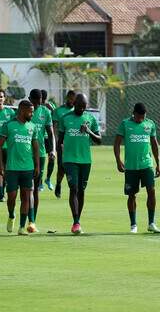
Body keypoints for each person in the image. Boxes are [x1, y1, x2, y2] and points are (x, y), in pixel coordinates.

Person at [114, 103, 160, 233]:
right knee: (132, 195)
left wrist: (158, 163)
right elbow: (117, 143)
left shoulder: (150, 124)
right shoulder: (125, 124)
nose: (140, 119)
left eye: (143, 117)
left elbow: (154, 144)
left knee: (151, 191)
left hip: (147, 165)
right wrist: (118, 161)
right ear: (133, 113)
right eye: (138, 117)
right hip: (131, 166)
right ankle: (133, 225)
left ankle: (151, 223)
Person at [59, 93, 101, 234]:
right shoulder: (65, 118)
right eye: (79, 106)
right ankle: (76, 222)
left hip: (85, 160)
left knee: (81, 190)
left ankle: (78, 220)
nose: (81, 109)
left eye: (84, 107)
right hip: (70, 160)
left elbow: (99, 140)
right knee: (74, 188)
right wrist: (60, 160)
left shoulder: (90, 119)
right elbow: (60, 141)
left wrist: (88, 131)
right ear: (74, 104)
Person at [0, 100, 39, 236]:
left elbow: (36, 147)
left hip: (28, 167)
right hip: (12, 168)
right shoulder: (9, 125)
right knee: (12, 197)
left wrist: (37, 165)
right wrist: (0, 165)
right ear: (22, 111)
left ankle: (22, 226)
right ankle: (11, 215)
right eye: (30, 111)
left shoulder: (32, 126)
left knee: (26, 197)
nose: (32, 114)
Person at [28, 89, 54, 232]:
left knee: (35, 189)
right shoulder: (24, 110)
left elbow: (51, 133)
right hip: (25, 155)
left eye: (39, 102)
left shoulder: (46, 112)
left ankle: (32, 221)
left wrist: (53, 150)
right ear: (29, 99)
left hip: (40, 155)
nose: (36, 105)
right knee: (26, 189)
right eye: (34, 101)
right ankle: (21, 217)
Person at [52, 90, 76, 198]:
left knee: (74, 167)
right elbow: (55, 128)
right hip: (62, 144)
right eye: (70, 98)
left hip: (73, 145)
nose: (71, 101)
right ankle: (58, 184)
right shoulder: (59, 111)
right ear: (67, 98)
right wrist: (57, 141)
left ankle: (74, 188)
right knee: (61, 168)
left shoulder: (77, 111)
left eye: (74, 99)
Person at [40, 89, 56, 191]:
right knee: (39, 159)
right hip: (39, 137)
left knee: (52, 157)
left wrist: (52, 109)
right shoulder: (35, 107)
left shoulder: (50, 106)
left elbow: (56, 118)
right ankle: (40, 183)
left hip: (49, 137)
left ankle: (48, 179)